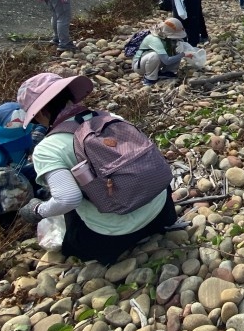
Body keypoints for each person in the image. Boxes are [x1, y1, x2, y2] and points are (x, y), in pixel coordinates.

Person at [15, 73, 177, 264]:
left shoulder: (47, 148)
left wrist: (37, 210)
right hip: (162, 211)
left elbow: (69, 198)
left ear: (40, 113)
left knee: (70, 234)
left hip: (115, 235)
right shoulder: (111, 117)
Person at [133, 18, 192, 85]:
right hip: (140, 66)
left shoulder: (166, 37)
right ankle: (150, 78)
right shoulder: (154, 39)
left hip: (157, 61)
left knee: (177, 49)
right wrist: (183, 54)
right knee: (154, 56)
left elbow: (176, 44)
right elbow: (166, 60)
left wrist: (181, 44)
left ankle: (168, 72)